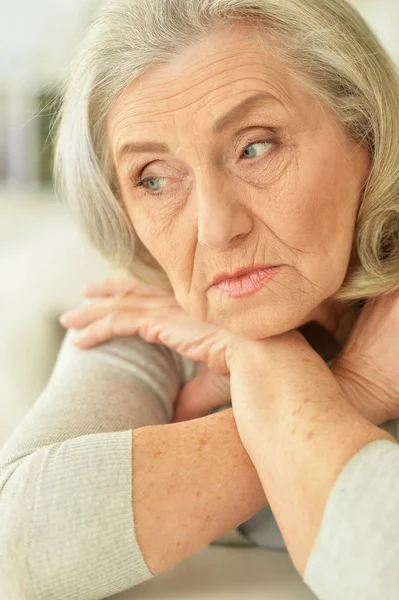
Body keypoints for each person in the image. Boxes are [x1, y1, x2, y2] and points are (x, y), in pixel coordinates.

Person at [1, 0, 399, 598]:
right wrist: (333, 380)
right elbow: (18, 544)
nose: (215, 228)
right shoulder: (159, 314)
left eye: (255, 147)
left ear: (365, 135)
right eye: (154, 179)